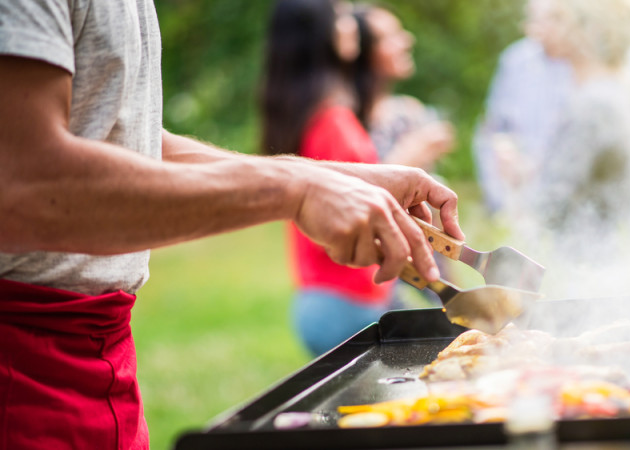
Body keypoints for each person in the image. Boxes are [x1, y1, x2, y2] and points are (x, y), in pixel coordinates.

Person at [0, 1, 463, 448]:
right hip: (22, 366)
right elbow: (19, 184)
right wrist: (294, 190)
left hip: (102, 357)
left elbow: (132, 140)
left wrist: (331, 178)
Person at [261, 0, 409, 356]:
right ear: (318, 32)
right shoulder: (332, 122)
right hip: (349, 303)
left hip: (323, 297)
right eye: (341, 16)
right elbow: (349, 208)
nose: (351, 26)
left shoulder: (307, 113)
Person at [473, 0, 630, 215]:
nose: (538, 28)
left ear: (584, 31)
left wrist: (518, 187)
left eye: (557, 18)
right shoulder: (598, 96)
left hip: (595, 246)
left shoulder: (595, 105)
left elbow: (550, 207)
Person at [352, 4, 455, 172]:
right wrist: (416, 149)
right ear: (361, 50)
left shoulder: (407, 112)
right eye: (390, 37)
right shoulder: (345, 119)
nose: (407, 41)